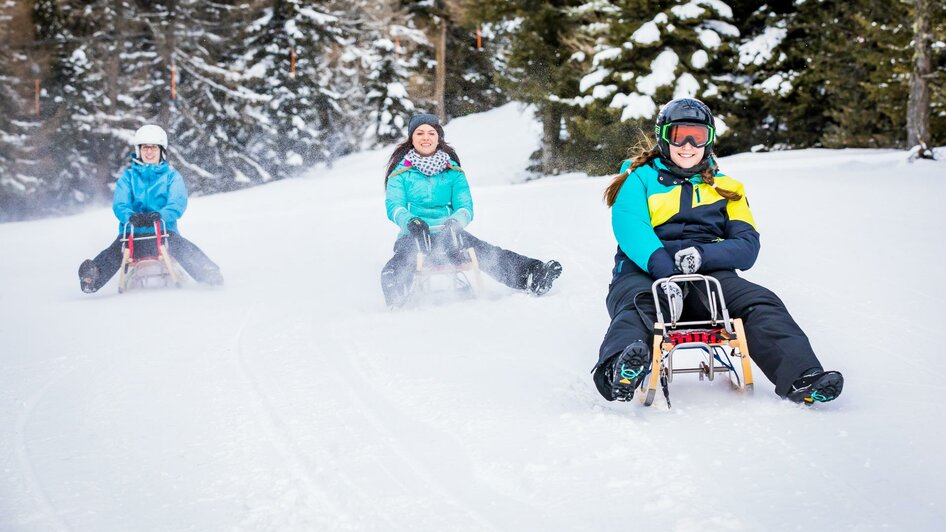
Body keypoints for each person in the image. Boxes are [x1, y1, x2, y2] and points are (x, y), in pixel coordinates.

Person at [594, 98, 843, 405]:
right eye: (679, 135)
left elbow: (747, 245)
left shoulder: (728, 188)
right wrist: (664, 270)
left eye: (697, 137)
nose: (688, 145)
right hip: (643, 272)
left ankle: (803, 377)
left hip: (709, 276)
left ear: (709, 140)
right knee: (639, 307)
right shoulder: (640, 180)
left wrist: (702, 256)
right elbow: (631, 227)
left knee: (761, 302)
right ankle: (619, 369)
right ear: (664, 137)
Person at [381, 113, 562, 308]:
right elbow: (395, 206)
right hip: (414, 236)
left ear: (438, 137)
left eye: (431, 133)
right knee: (404, 260)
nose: (426, 138)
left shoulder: (453, 171)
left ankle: (532, 274)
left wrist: (455, 223)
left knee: (484, 251)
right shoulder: (401, 173)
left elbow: (465, 206)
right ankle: (396, 295)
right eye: (420, 133)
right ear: (412, 138)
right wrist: (411, 221)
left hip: (448, 234)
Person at [78, 124, 223, 293]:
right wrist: (130, 217)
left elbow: (177, 202)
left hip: (163, 232)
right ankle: (93, 276)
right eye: (145, 148)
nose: (149, 152)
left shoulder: (171, 176)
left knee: (180, 245)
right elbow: (120, 204)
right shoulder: (128, 177)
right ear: (138, 150)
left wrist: (160, 215)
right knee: (116, 250)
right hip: (132, 233)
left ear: (161, 150)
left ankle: (207, 271)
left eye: (153, 148)